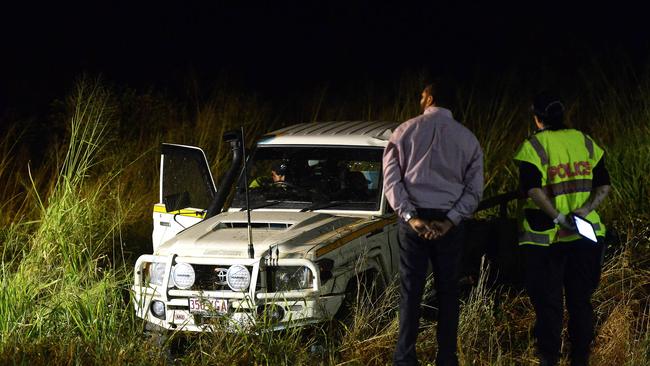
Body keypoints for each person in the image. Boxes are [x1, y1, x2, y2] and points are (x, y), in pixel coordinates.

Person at [383, 83, 484, 366]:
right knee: (448, 293)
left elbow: (391, 181)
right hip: (448, 221)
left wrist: (410, 217)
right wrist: (450, 221)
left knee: (410, 291)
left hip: (413, 219)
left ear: (429, 98)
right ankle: (447, 358)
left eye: (421, 95)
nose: (419, 98)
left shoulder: (403, 132)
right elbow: (474, 191)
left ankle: (405, 358)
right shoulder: (468, 139)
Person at [513, 92, 611, 366]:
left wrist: (558, 216)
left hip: (546, 239)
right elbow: (603, 186)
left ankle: (550, 359)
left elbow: (532, 189)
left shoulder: (534, 146)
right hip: (585, 236)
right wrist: (583, 211)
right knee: (581, 303)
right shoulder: (584, 141)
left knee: (549, 307)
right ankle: (580, 358)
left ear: (537, 118)